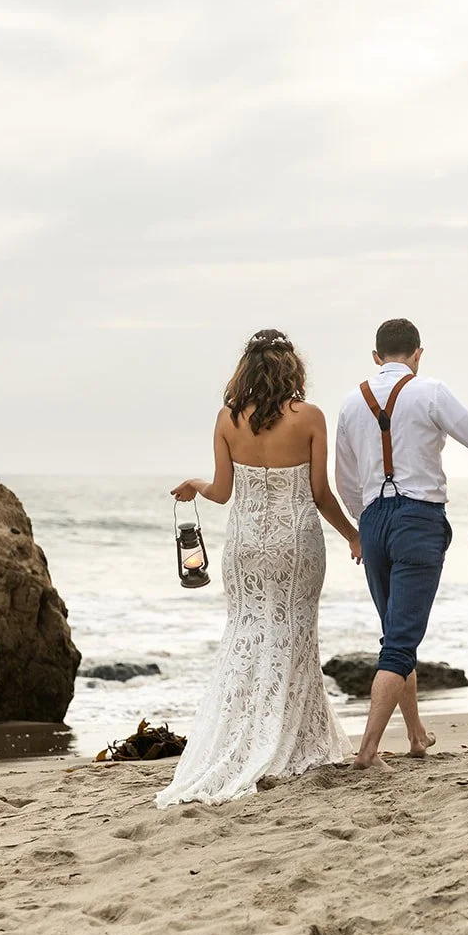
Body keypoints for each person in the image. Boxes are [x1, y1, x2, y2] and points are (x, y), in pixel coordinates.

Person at [156, 329, 359, 807]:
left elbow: (223, 493)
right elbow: (320, 494)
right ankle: (289, 740)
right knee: (294, 635)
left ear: (245, 370)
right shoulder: (309, 418)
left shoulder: (227, 420)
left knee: (246, 636)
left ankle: (240, 736)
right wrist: (353, 534)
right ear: (292, 369)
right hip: (297, 546)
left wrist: (195, 484)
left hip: (246, 547)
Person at [334, 318, 468, 770]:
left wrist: (362, 528)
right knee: (400, 642)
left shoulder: (351, 403)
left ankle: (415, 735)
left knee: (396, 633)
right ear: (418, 353)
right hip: (418, 520)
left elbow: (344, 480)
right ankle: (366, 751)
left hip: (372, 521)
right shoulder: (430, 392)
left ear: (375, 357)